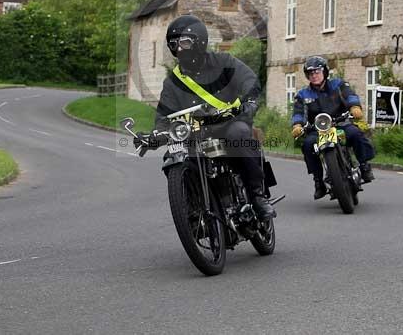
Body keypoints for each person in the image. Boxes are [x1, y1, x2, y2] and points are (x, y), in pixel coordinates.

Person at [136, 14, 275, 219]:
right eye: (174, 44)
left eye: (184, 42)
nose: (179, 48)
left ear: (199, 41)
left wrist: (250, 103)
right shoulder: (173, 82)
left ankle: (257, 196)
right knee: (173, 157)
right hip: (195, 135)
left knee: (239, 135)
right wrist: (156, 134)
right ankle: (194, 206)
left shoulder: (223, 62)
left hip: (229, 123)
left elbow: (249, 80)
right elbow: (164, 116)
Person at [290, 56, 375, 200]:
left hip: (340, 124)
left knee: (355, 133)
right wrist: (297, 125)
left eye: (317, 72)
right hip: (318, 130)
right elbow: (298, 112)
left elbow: (350, 95)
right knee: (308, 145)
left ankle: (364, 165)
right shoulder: (303, 95)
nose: (314, 75)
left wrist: (354, 107)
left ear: (324, 72)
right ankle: (318, 182)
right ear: (307, 76)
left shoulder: (338, 84)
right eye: (311, 73)